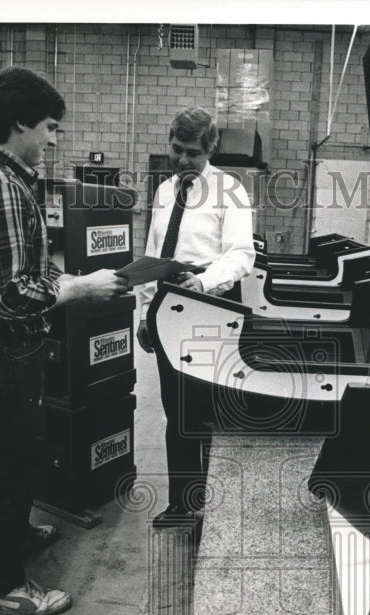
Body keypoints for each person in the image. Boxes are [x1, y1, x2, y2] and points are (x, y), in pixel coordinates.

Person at [0, 66, 127, 615]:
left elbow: (21, 272)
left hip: (6, 351)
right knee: (4, 469)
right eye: (50, 127)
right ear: (20, 123)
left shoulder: (1, 177)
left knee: (21, 455)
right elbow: (8, 297)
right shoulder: (0, 189)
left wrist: (63, 279)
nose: (53, 139)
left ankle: (15, 534)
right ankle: (3, 587)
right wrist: (80, 288)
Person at [135, 106, 256, 527]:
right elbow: (153, 255)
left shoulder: (230, 191)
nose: (182, 160)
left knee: (204, 413)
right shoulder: (164, 191)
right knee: (176, 412)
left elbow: (241, 255)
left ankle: (211, 508)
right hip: (167, 308)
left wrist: (202, 282)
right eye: (177, 150)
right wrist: (145, 311)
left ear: (210, 150)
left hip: (209, 309)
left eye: (192, 153)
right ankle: (183, 505)